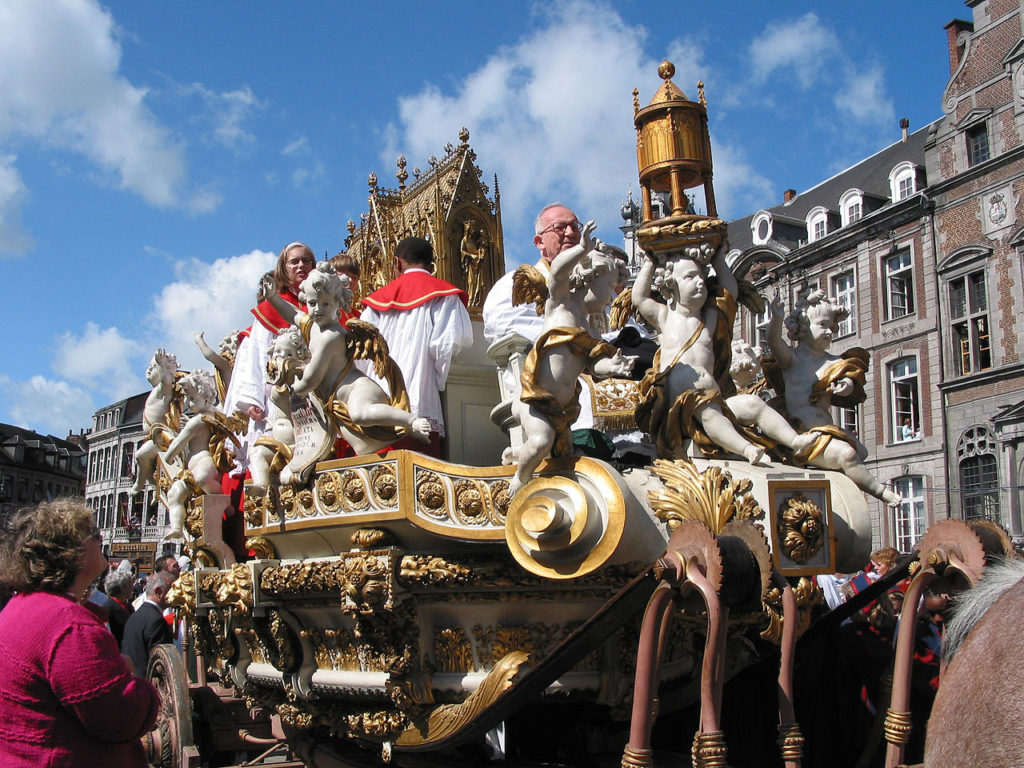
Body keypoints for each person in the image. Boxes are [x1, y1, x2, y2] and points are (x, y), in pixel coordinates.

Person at [0, 499, 159, 767]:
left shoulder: (21, 606)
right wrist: (140, 686)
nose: (100, 539)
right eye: (93, 534)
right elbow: (121, 717)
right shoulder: (68, 626)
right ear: (73, 551)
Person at [632, 245, 815, 463]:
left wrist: (719, 259)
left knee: (753, 404)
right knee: (709, 412)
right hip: (680, 406)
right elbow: (640, 298)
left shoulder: (709, 318)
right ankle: (747, 449)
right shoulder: (665, 316)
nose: (700, 281)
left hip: (714, 396)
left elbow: (729, 292)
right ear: (671, 286)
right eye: (690, 277)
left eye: (701, 276)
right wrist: (650, 264)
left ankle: (795, 442)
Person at [509, 220, 636, 496]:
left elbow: (595, 364)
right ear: (589, 279)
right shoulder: (560, 304)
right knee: (542, 441)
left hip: (562, 412)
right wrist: (581, 248)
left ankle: (518, 454)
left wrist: (614, 366)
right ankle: (520, 477)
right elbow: (557, 272)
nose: (611, 296)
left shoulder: (589, 329)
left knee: (564, 457)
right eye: (609, 285)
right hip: (534, 400)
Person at [267, 264, 431, 463]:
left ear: (338, 303)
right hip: (338, 400)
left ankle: (411, 421)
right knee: (363, 447)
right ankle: (402, 433)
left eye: (325, 304)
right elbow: (292, 314)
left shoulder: (332, 336)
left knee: (360, 414)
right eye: (312, 303)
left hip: (358, 390)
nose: (317, 309)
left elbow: (312, 379)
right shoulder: (314, 327)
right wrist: (273, 298)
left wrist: (294, 385)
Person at [764, 290, 902, 506]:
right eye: (822, 325)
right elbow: (773, 342)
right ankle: (881, 492)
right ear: (801, 327)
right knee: (847, 455)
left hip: (826, 430)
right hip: (802, 434)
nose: (829, 331)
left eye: (831, 326)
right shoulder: (792, 360)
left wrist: (844, 386)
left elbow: (850, 382)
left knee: (861, 452)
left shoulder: (836, 362)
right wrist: (777, 318)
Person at [359, 236, 473, 457]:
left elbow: (361, 353)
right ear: (432, 265)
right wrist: (438, 381)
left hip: (378, 397)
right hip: (421, 397)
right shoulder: (445, 296)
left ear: (397, 263)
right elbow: (448, 344)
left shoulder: (376, 302)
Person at [224, 242, 315, 469]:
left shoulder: (318, 304)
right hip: (279, 393)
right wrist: (252, 399)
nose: (301, 265)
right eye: (294, 261)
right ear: (284, 268)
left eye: (306, 260)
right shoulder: (272, 307)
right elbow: (255, 354)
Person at [121, 571, 174, 677]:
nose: (175, 594)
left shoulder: (135, 616)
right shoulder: (156, 621)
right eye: (172, 589)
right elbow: (160, 664)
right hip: (148, 685)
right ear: (159, 592)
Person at [104, 569, 135, 648]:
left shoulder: (129, 606)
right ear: (122, 588)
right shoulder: (108, 608)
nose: (133, 588)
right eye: (130, 585)